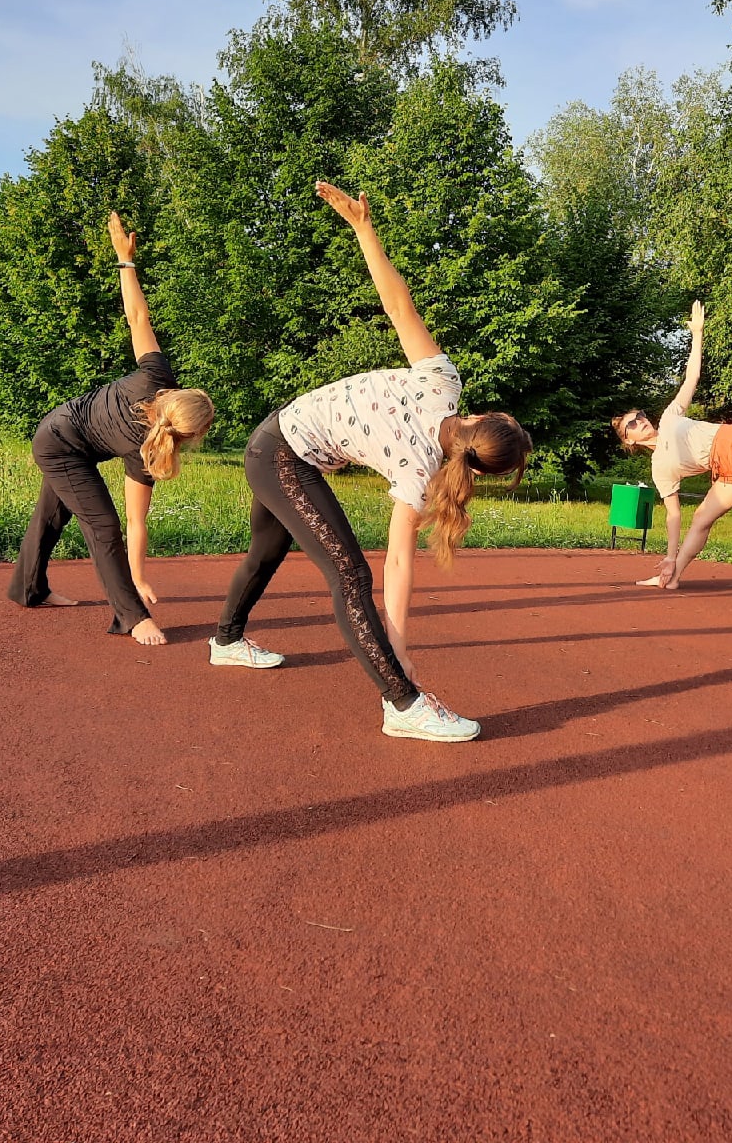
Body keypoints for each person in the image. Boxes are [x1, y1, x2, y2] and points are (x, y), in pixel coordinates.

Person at [210, 181, 533, 742]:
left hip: (274, 441)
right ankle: (402, 705)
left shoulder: (442, 382)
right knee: (350, 573)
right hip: (284, 453)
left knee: (268, 549)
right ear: (477, 468)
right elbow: (397, 566)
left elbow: (396, 304)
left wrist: (365, 229)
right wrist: (400, 651)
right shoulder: (420, 467)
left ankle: (226, 640)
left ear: (481, 417)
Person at [7, 212, 215, 644]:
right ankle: (130, 617)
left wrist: (126, 261)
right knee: (102, 526)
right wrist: (136, 585)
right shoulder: (152, 452)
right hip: (59, 445)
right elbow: (132, 524)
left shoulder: (155, 378)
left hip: (58, 429)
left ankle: (27, 590)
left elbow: (138, 318)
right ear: (189, 437)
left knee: (53, 513)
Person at [611, 300, 732, 606]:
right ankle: (671, 577)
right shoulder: (660, 467)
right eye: (632, 423)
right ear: (628, 441)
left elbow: (691, 377)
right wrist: (668, 558)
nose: (640, 420)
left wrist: (697, 333)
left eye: (640, 415)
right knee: (700, 519)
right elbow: (673, 514)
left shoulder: (670, 416)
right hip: (725, 466)